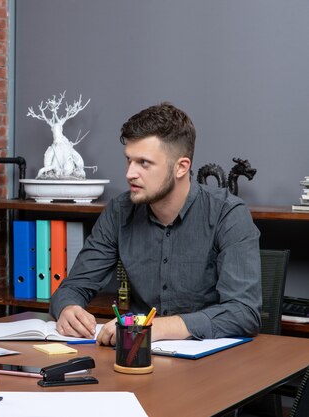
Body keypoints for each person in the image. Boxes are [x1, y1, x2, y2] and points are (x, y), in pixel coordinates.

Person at [50, 102, 261, 346]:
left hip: (212, 364)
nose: (130, 173)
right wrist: (68, 307)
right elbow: (73, 286)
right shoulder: (120, 211)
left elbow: (244, 313)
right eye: (129, 160)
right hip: (135, 357)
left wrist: (155, 326)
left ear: (181, 167)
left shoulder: (228, 213)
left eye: (144, 163)